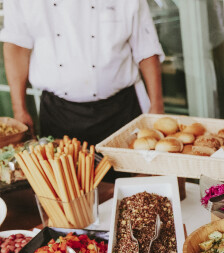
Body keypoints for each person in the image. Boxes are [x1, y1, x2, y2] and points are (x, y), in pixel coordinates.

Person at [0, 0, 165, 145]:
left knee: (129, 171)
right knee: (63, 171)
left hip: (121, 111)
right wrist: (19, 110)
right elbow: (17, 47)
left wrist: (156, 107)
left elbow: (146, 48)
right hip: (58, 114)